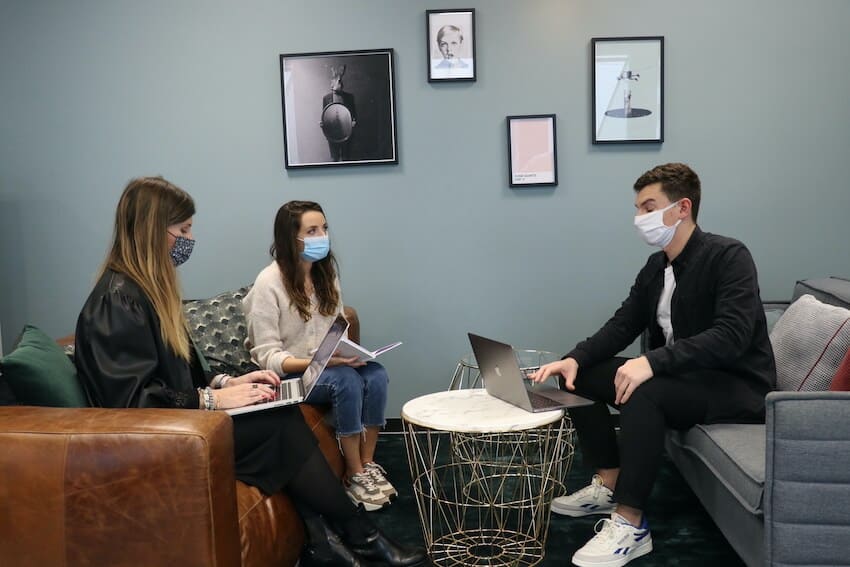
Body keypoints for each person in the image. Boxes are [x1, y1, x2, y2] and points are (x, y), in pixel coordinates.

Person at [74, 177, 427, 567]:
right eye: (183, 230)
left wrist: (227, 381)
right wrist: (212, 399)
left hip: (182, 421)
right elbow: (132, 402)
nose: (190, 239)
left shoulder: (146, 292)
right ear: (152, 231)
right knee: (278, 428)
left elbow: (180, 371)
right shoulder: (117, 301)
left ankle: (325, 540)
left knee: (279, 410)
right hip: (162, 439)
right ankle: (362, 536)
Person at [531, 163, 776, 567]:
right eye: (638, 209)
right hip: (684, 378)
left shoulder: (728, 256)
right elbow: (622, 324)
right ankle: (609, 482)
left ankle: (630, 524)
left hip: (736, 385)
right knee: (580, 378)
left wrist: (652, 362)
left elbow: (731, 336)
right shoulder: (655, 267)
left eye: (648, 208)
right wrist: (573, 358)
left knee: (643, 390)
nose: (639, 218)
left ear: (682, 208)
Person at [243, 200, 397, 512]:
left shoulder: (326, 275)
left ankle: (368, 463)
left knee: (376, 374)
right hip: (290, 373)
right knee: (345, 380)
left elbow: (336, 329)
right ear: (291, 238)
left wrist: (346, 353)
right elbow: (267, 357)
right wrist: (320, 363)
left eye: (324, 229)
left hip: (327, 366)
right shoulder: (268, 284)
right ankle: (353, 474)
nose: (322, 236)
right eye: (312, 231)